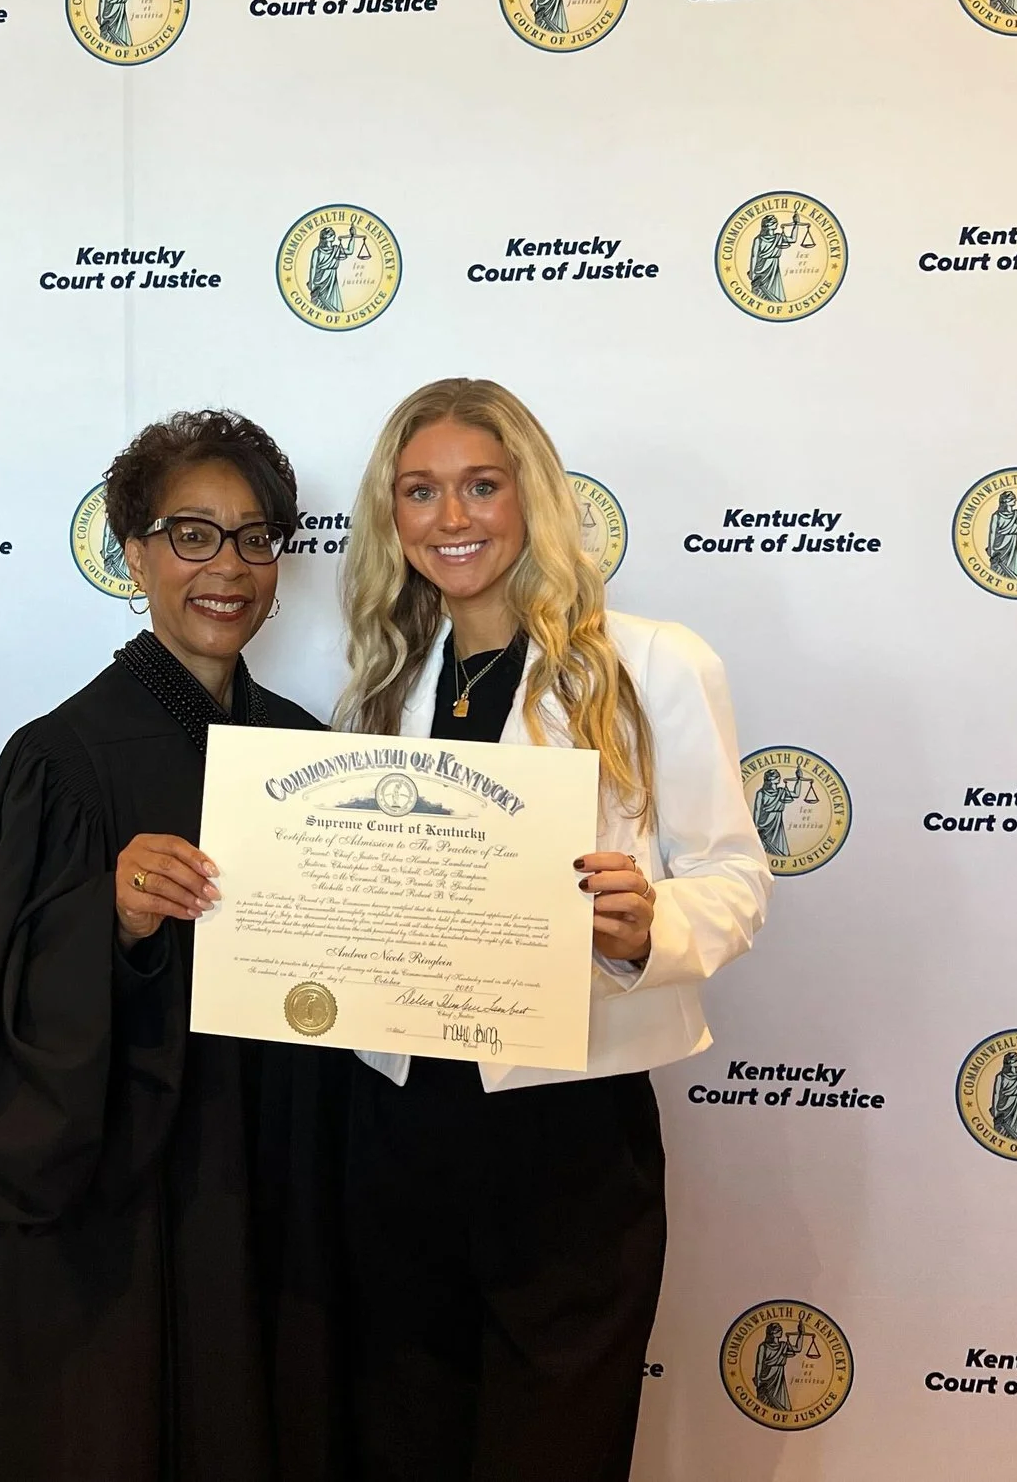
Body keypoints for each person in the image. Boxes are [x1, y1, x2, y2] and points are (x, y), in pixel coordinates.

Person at [333, 378, 770, 1482]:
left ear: (531, 497)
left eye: (481, 486)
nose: (452, 518)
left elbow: (732, 878)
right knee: (402, 1437)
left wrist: (643, 927)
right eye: (420, 491)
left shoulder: (654, 662)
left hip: (568, 1131)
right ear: (393, 518)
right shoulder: (380, 691)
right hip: (392, 1125)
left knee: (555, 1446)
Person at [0, 410, 347, 1482]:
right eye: (192, 535)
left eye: (255, 538)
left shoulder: (309, 757)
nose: (228, 568)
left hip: (266, 1201)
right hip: (115, 1228)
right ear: (133, 553)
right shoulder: (60, 761)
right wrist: (107, 919)